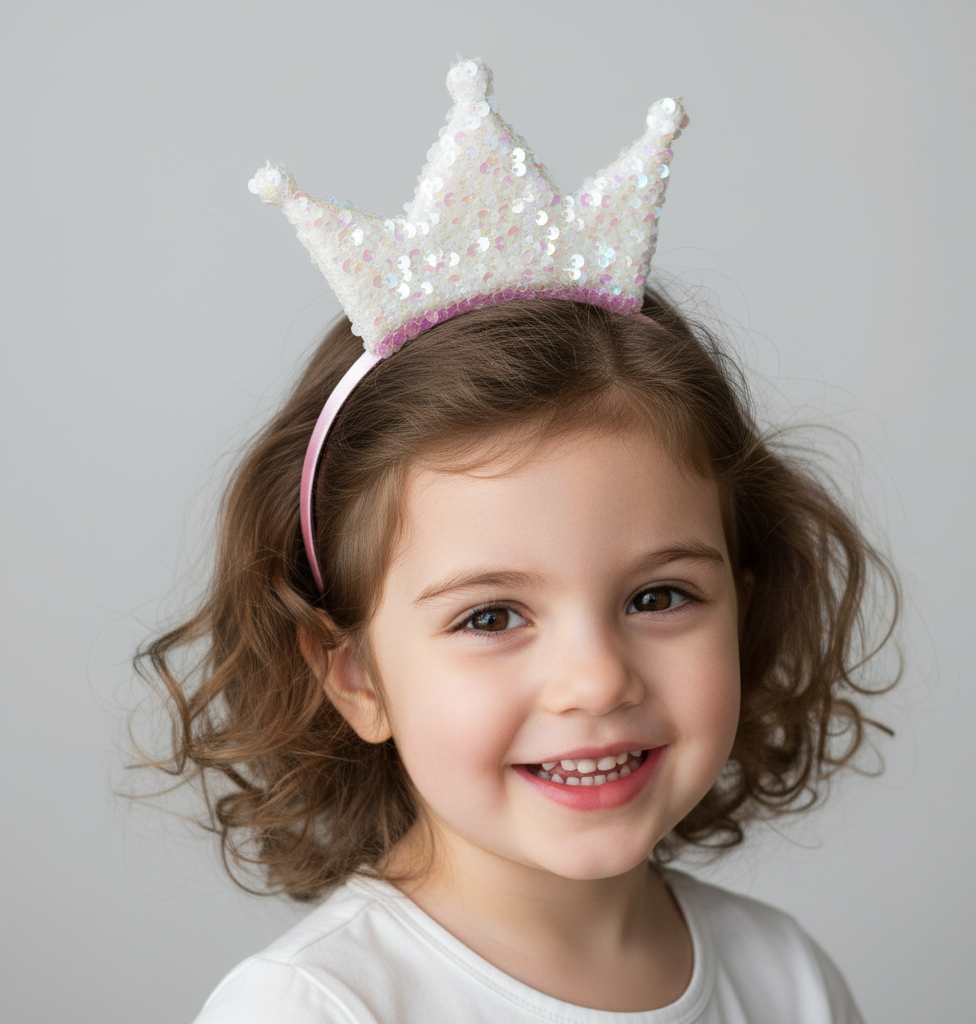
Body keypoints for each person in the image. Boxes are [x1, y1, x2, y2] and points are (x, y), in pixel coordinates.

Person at [136, 58, 898, 1023]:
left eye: (659, 597)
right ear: (355, 676)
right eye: (492, 616)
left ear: (741, 613)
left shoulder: (787, 980)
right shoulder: (316, 1007)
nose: (596, 681)